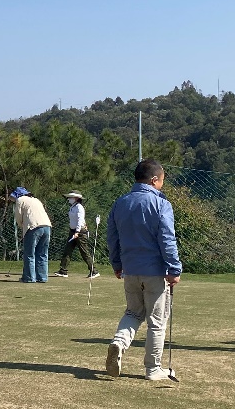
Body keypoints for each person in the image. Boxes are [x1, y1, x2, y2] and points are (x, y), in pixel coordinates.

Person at [104, 159, 182, 382]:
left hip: (130, 269)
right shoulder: (161, 204)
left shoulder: (120, 203)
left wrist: (117, 264)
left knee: (133, 313)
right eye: (162, 181)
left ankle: (119, 343)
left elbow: (112, 237)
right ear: (154, 180)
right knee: (156, 321)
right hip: (155, 271)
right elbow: (167, 239)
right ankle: (153, 368)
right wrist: (174, 268)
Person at [10, 187, 52, 283]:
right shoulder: (36, 200)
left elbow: (18, 216)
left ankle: (29, 278)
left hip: (33, 227)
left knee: (29, 253)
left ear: (18, 195)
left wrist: (22, 227)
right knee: (42, 253)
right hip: (47, 226)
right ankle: (42, 277)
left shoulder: (20, 200)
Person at [55, 191, 98, 278]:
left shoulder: (79, 207)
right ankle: (63, 270)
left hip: (80, 232)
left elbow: (80, 220)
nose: (69, 199)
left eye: (71, 197)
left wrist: (77, 232)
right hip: (73, 231)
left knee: (84, 252)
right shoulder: (73, 207)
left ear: (76, 198)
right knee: (68, 250)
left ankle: (94, 271)